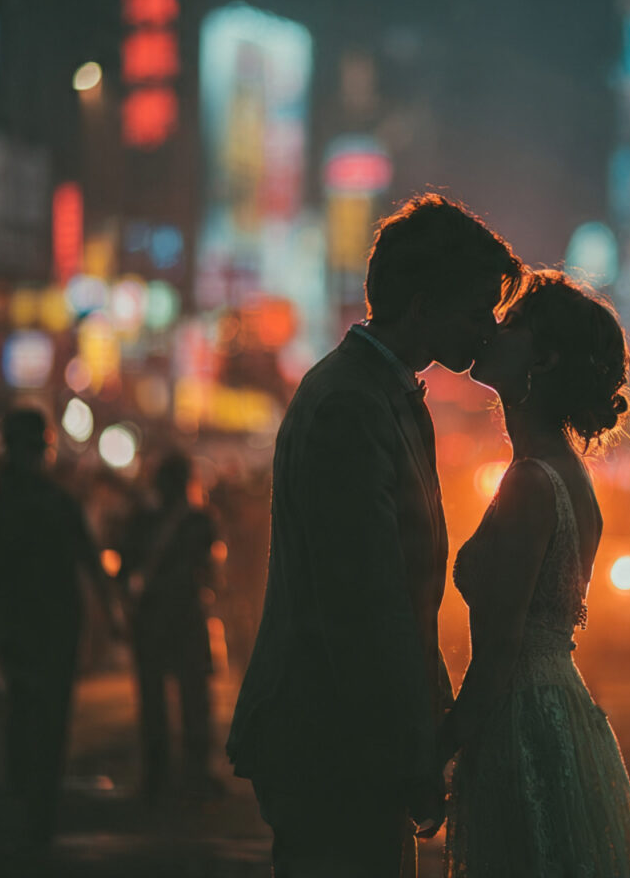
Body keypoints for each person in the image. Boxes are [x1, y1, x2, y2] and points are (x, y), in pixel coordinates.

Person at [227, 194, 523, 878]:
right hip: (332, 741)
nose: (486, 328)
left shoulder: (380, 393)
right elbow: (363, 603)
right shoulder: (352, 405)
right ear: (422, 304)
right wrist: (408, 753)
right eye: (476, 308)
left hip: (348, 738)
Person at [441, 270, 630, 878]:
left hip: (521, 723)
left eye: (511, 324)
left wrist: (438, 750)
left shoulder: (533, 482)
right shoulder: (561, 472)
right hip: (555, 711)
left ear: (545, 356)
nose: (493, 328)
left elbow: (500, 651)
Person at [0, 408, 121, 853]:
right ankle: (36, 816)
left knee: (23, 715)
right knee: (47, 719)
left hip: (19, 629)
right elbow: (91, 565)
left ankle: (24, 809)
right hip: (53, 628)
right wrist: (114, 617)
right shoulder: (56, 503)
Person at [118, 451, 220, 803]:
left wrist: (127, 609)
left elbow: (124, 570)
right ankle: (196, 772)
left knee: (153, 701)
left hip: (151, 619)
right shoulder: (200, 521)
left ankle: (156, 774)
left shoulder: (141, 520)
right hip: (188, 617)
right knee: (194, 698)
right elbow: (211, 571)